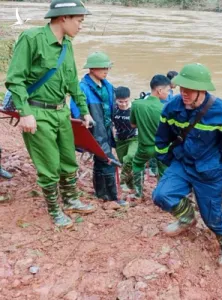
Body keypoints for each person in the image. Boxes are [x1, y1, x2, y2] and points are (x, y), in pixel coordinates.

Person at [4, 0, 96, 228]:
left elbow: (73, 81)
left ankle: (71, 199)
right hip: (37, 111)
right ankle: (55, 210)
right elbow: (15, 79)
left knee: (67, 159)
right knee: (49, 165)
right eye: (79, 20)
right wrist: (25, 113)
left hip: (60, 111)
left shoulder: (67, 44)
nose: (81, 26)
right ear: (63, 18)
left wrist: (84, 110)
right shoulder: (32, 38)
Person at [152, 63, 222, 266]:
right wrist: (169, 161)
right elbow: (161, 139)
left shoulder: (221, 111)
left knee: (212, 217)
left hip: (211, 170)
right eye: (181, 89)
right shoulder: (171, 107)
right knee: (161, 195)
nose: (183, 93)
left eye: (189, 90)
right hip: (183, 162)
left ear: (202, 90)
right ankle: (187, 218)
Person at [71, 51, 127, 206]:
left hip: (107, 129)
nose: (106, 71)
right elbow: (76, 109)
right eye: (102, 68)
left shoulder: (108, 86)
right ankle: (113, 197)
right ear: (91, 69)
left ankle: (101, 194)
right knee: (109, 160)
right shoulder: (83, 87)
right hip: (94, 131)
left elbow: (115, 106)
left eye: (107, 68)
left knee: (101, 160)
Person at [130, 75, 169, 199]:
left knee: (137, 164)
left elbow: (133, 124)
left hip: (144, 146)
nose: (168, 93)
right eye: (168, 90)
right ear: (160, 90)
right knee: (163, 170)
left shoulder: (136, 104)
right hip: (161, 147)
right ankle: (162, 196)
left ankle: (138, 194)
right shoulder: (165, 108)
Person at [112, 86, 138, 192]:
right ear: (115, 100)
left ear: (129, 98)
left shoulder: (135, 108)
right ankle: (130, 184)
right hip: (120, 140)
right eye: (120, 102)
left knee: (130, 157)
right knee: (125, 163)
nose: (123, 104)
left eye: (126, 101)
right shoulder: (113, 109)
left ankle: (121, 181)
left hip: (134, 138)